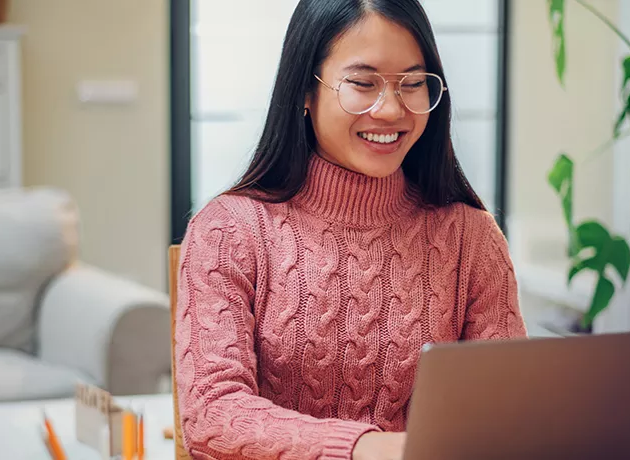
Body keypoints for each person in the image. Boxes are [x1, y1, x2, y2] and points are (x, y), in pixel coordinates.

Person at [173, 0, 528, 458]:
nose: (391, 109)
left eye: (413, 83)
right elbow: (211, 414)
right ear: (304, 89)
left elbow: (508, 411)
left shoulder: (471, 238)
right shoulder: (229, 232)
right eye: (363, 83)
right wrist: (367, 449)